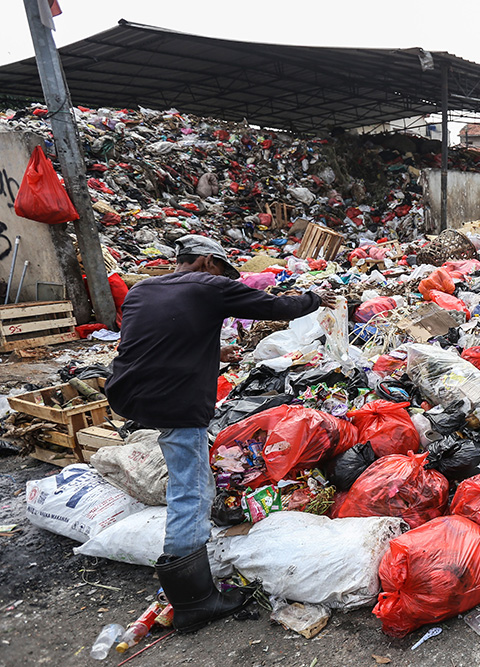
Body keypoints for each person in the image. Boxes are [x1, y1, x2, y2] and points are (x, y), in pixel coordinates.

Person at [106, 235, 338, 633]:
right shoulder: (208, 285)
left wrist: (217, 354)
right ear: (205, 262)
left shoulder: (143, 288)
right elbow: (274, 306)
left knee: (189, 470)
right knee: (191, 489)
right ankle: (194, 600)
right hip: (173, 401)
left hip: (128, 393)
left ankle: (190, 578)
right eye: (220, 268)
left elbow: (157, 342)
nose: (222, 276)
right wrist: (316, 297)